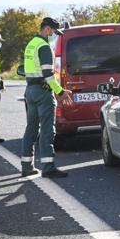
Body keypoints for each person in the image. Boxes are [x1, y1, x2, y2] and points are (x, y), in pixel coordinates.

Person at [21, 17, 73, 178]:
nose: (55, 36)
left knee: (31, 128)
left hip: (30, 90)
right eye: (54, 32)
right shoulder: (43, 47)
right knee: (47, 130)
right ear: (48, 29)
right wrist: (59, 92)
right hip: (43, 92)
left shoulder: (31, 44)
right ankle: (48, 166)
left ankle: (26, 166)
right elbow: (48, 75)